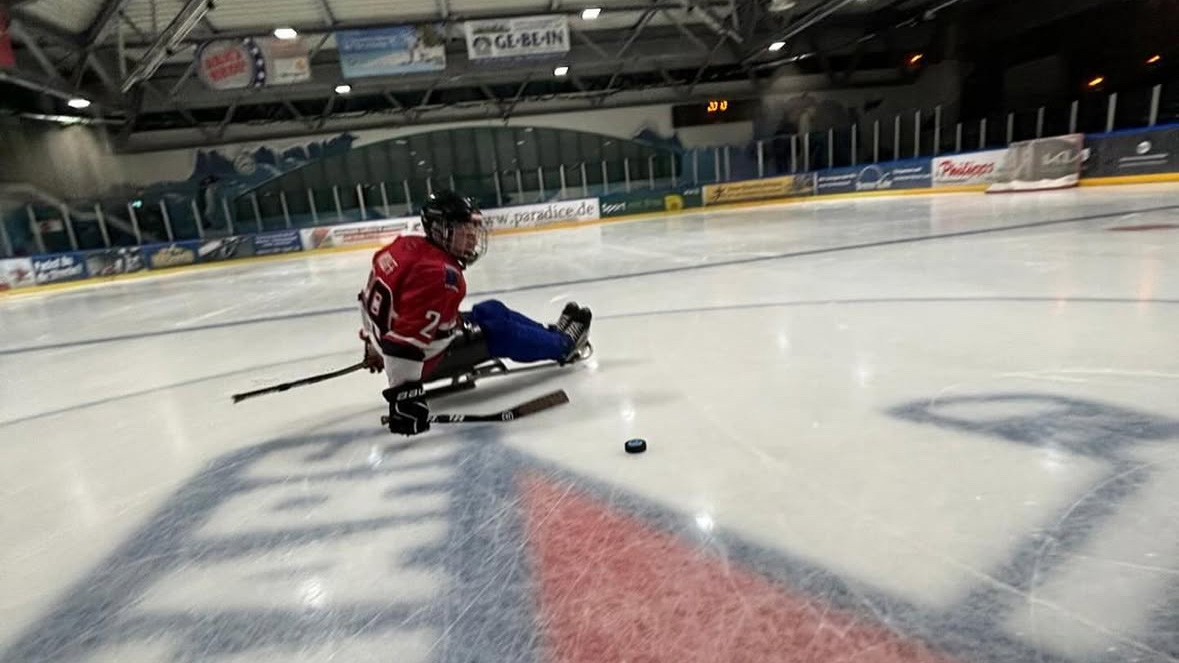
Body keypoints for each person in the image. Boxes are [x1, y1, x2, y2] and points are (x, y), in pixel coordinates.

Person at [358, 190, 591, 437]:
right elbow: (405, 344)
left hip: (396, 350)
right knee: (500, 331)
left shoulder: (403, 246)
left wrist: (372, 343)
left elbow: (369, 302)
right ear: (439, 229)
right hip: (421, 362)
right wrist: (404, 398)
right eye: (462, 228)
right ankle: (565, 345)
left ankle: (551, 333)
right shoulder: (441, 275)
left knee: (491, 310)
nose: (471, 235)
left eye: (472, 227)